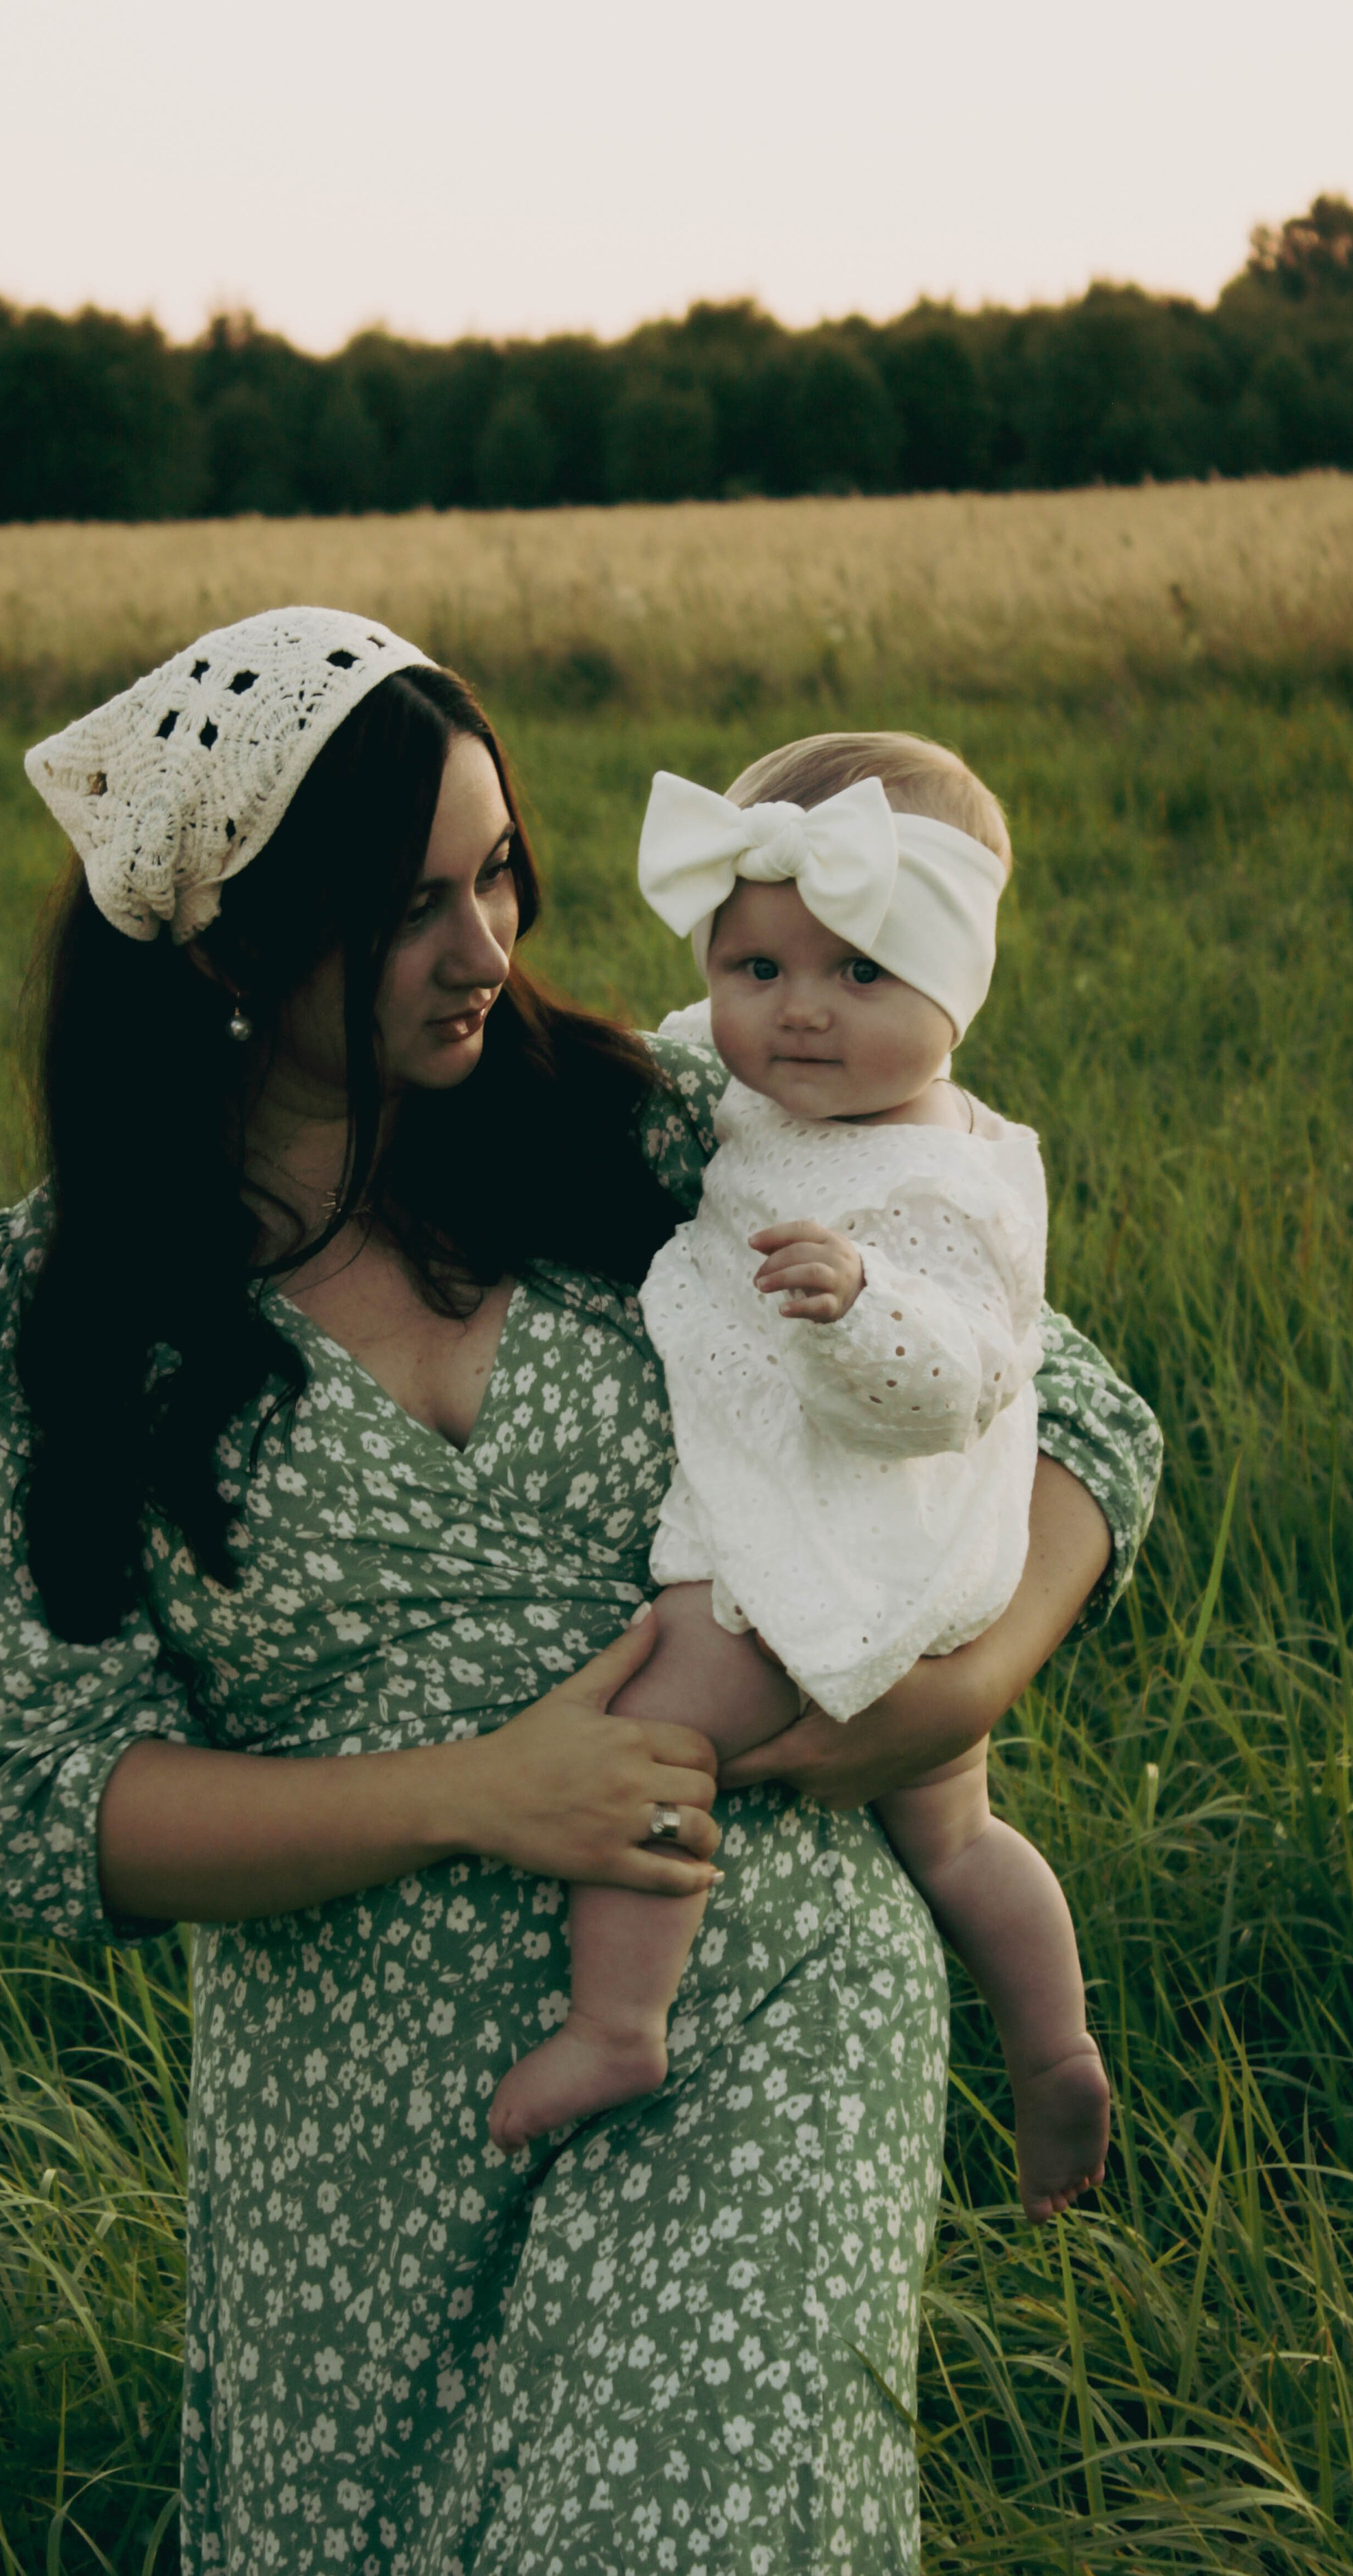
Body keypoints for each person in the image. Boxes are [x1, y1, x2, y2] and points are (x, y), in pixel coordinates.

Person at [0, 606, 1161, 2576]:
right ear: (223, 948)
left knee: (670, 2570)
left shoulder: (644, 1128)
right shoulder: (53, 1313)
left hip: (762, 2005)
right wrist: (476, 1793)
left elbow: (1067, 1401)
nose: (485, 947)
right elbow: (32, 1798)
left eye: (498, 875)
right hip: (358, 2129)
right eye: (408, 909)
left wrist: (953, 1693)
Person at [489, 735, 1115, 2226]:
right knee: (955, 1832)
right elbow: (690, 1054)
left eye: (858, 973)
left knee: (651, 1738)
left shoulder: (943, 1182)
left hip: (834, 1534)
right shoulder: (775, 1085)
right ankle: (1055, 2050)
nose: (800, 1013)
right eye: (756, 969)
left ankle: (616, 2024)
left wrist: (862, 1307)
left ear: (955, 986)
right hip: (910, 1559)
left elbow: (965, 1378)